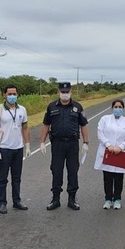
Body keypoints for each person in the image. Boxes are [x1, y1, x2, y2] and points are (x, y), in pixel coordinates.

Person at [40, 81, 89, 211]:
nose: (65, 94)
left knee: (73, 171)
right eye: (63, 92)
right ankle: (55, 199)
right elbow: (46, 125)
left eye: (67, 92)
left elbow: (83, 125)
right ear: (58, 92)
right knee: (56, 171)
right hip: (57, 144)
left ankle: (72, 199)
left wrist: (85, 142)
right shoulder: (51, 107)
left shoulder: (78, 107)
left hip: (72, 144)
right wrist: (42, 141)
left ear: (71, 92)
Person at [0, 84, 31, 214]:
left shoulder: (22, 110)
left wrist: (27, 145)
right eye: (10, 94)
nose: (12, 96)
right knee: (3, 178)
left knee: (16, 177)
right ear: (4, 95)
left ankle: (17, 200)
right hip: (4, 148)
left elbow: (25, 128)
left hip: (18, 148)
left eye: (14, 94)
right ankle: (2, 202)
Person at [94, 99, 125, 210]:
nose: (118, 109)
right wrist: (108, 145)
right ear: (112, 108)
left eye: (120, 107)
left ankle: (117, 199)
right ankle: (108, 199)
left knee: (118, 178)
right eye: (116, 107)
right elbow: (100, 132)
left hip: (120, 153)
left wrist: (121, 147)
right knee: (107, 177)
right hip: (108, 151)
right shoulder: (105, 119)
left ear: (123, 108)